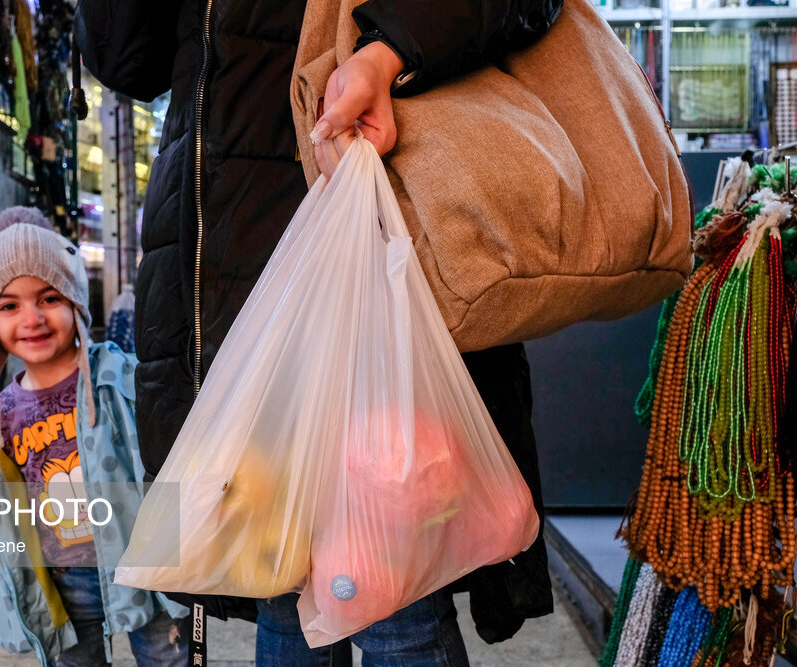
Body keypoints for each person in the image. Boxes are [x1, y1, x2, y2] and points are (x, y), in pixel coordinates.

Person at [77, 0, 564, 663]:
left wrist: (387, 51)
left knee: (390, 584)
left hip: (368, 265)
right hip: (228, 288)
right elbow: (127, 61)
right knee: (281, 583)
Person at [0, 206, 189, 666]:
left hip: (139, 559)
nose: (31, 317)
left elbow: (166, 426)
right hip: (62, 580)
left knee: (168, 655)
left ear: (76, 300)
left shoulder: (116, 376)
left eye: (49, 297)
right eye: (9, 305)